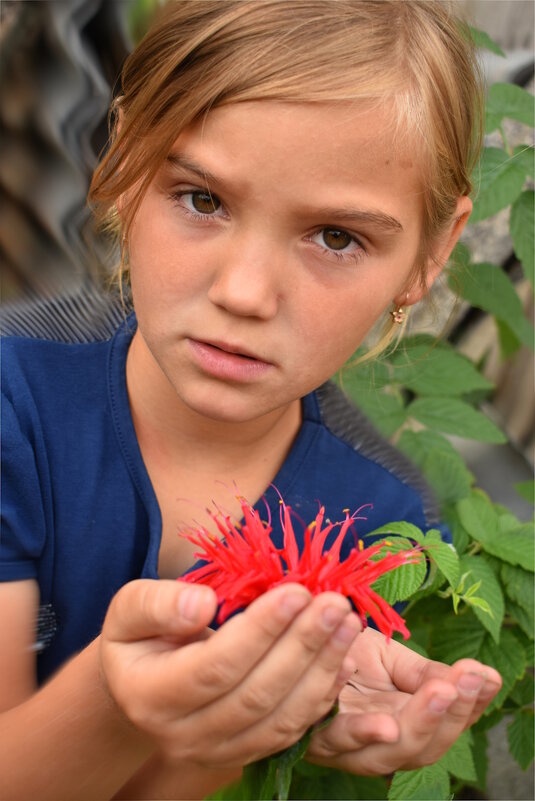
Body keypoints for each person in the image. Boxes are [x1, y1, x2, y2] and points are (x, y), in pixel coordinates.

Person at [0, 2, 502, 799]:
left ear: (430, 254)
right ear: (124, 158)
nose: (244, 293)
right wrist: (117, 694)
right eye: (201, 199)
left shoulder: (380, 521)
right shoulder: (11, 400)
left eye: (336, 237)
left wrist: (280, 722)